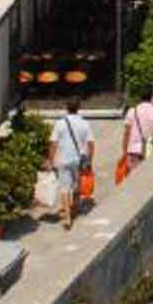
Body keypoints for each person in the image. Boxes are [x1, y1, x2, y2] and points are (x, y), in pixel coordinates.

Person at [50, 97, 94, 230]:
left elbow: (53, 143)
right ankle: (74, 210)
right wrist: (90, 160)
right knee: (76, 186)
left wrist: (51, 159)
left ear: (66, 108)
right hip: (78, 159)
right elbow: (91, 144)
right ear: (78, 108)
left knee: (64, 188)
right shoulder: (84, 123)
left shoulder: (60, 123)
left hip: (63, 159)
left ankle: (67, 218)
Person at [122, 93, 153, 173]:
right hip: (149, 149)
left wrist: (125, 151)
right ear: (151, 98)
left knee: (133, 177)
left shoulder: (132, 111)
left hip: (133, 150)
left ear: (139, 98)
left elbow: (127, 133)